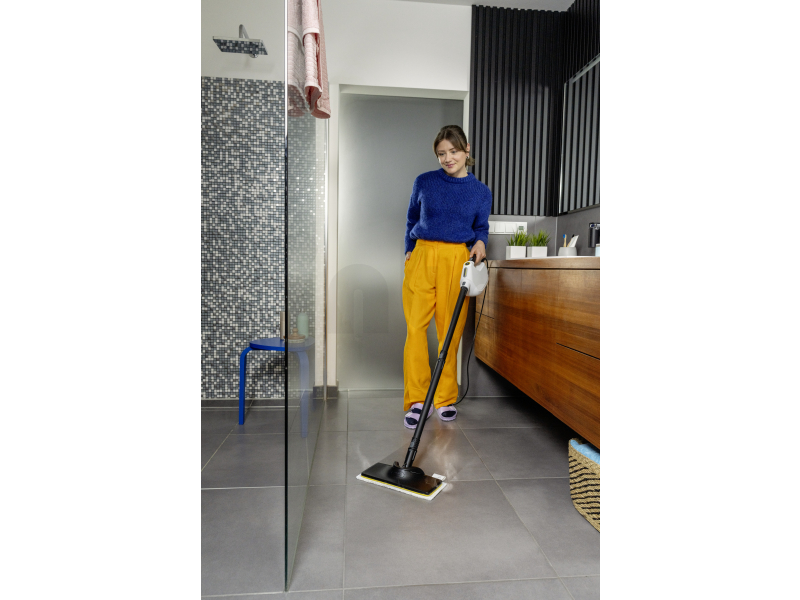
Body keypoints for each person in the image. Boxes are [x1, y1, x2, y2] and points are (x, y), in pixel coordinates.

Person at [402, 125, 492, 429]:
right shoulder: (424, 182)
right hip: (422, 255)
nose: (447, 158)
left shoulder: (481, 192)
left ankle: (443, 398)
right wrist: (409, 250)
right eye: (441, 153)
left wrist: (481, 242)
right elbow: (411, 219)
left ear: (467, 150)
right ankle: (418, 399)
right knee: (415, 329)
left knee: (449, 332)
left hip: (456, 259)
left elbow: (481, 228)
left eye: (453, 151)